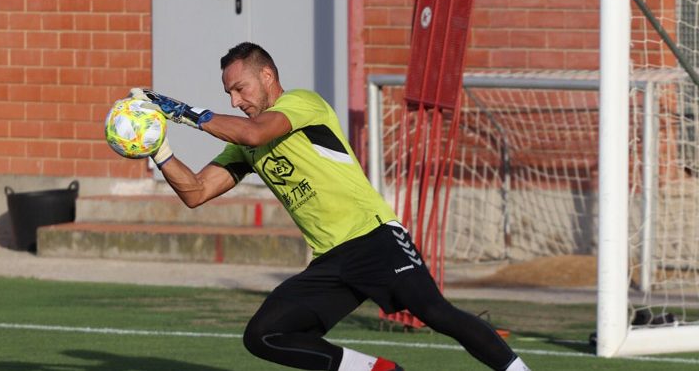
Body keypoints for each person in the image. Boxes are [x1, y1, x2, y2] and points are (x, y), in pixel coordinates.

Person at [129, 42, 531, 371]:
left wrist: (182, 112)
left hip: (374, 238)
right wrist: (160, 150)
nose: (235, 101)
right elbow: (196, 192)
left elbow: (254, 134)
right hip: (331, 261)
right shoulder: (243, 146)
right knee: (264, 335)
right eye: (229, 94)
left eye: (240, 89)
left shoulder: (303, 104)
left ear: (267, 76)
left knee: (434, 311)